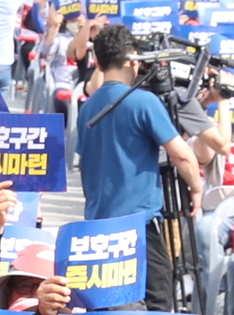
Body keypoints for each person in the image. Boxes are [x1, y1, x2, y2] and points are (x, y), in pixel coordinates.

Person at [71, 24, 202, 224]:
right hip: (139, 224)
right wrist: (196, 189)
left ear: (97, 62)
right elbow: (182, 156)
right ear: (134, 58)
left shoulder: (88, 107)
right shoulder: (144, 102)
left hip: (96, 222)